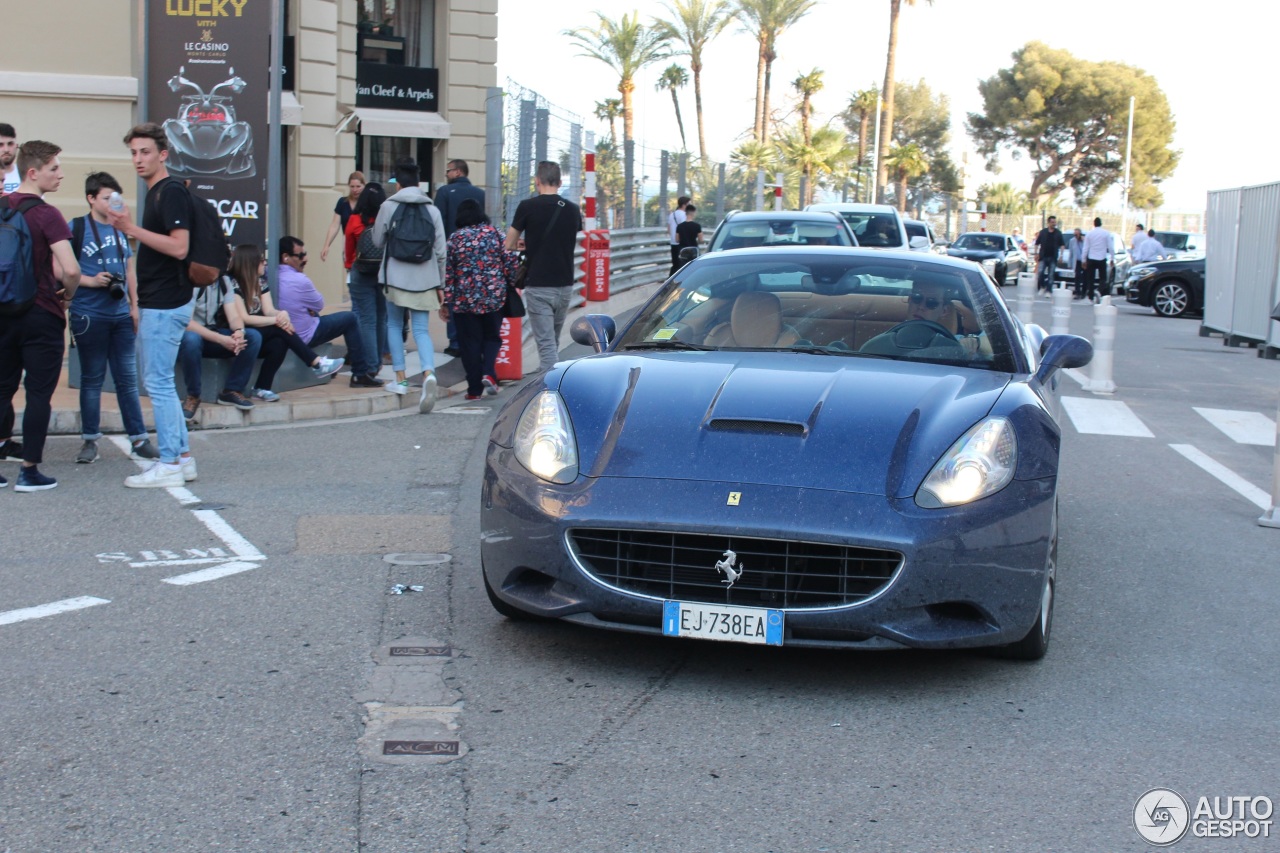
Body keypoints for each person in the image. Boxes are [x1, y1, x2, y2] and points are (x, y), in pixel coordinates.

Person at [106, 124, 201, 489]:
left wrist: (131, 229)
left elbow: (179, 247)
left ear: (163, 154)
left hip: (165, 301)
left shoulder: (169, 192)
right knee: (162, 382)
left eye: (144, 152)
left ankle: (170, 463)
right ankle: (183, 459)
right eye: (133, 153)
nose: (137, 159)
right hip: (165, 300)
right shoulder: (159, 192)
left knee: (158, 383)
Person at [0, 140, 80, 491]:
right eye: (54, 168)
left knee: (2, 390)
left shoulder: (2, 207)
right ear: (32, 172)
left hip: (3, 313)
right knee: (37, 395)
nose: (60, 175)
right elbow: (72, 269)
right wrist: (67, 296)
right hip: (41, 314)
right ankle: (29, 471)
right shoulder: (48, 214)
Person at [68, 171, 158, 464]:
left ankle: (139, 438)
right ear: (91, 198)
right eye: (106, 198)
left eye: (115, 198)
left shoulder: (121, 229)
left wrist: (135, 306)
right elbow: (60, 269)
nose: (112, 203)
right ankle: (89, 440)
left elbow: (129, 269)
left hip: (120, 314)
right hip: (89, 314)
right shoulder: (77, 228)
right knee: (92, 379)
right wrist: (92, 281)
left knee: (127, 379)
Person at [371, 158, 446, 413]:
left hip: (395, 277)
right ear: (418, 183)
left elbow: (378, 241)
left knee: (393, 324)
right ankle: (429, 374)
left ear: (398, 183)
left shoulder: (388, 206)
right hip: (425, 279)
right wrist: (441, 284)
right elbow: (441, 252)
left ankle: (400, 379)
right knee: (422, 330)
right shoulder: (432, 210)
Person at [225, 244, 343, 401]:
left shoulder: (260, 281)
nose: (265, 263)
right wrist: (276, 320)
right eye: (261, 260)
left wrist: (281, 315)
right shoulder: (232, 283)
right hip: (241, 333)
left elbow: (269, 310)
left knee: (280, 341)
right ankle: (316, 362)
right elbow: (244, 318)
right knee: (279, 329)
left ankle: (262, 387)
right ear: (250, 262)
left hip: (259, 333)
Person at [505, 161, 583, 374]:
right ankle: (547, 373)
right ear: (559, 182)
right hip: (565, 283)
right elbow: (567, 237)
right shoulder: (573, 210)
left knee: (546, 343)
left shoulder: (527, 207)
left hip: (539, 284)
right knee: (552, 340)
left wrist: (524, 244)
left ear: (537, 181)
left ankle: (549, 386)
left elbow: (509, 243)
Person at [275, 234, 381, 387]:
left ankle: (331, 369)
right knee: (350, 319)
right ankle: (360, 373)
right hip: (304, 335)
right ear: (285, 257)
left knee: (311, 312)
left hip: (286, 331)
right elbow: (319, 304)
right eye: (301, 256)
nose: (305, 259)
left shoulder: (270, 274)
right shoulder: (300, 280)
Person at [442, 199, 517, 400]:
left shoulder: (455, 239)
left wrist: (446, 301)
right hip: (494, 297)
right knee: (492, 337)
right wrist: (510, 283)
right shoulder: (497, 235)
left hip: (464, 300)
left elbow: (449, 273)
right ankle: (488, 373)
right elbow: (510, 263)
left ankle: (474, 390)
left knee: (469, 343)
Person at [178, 265, 260, 419]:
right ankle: (193, 395)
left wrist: (238, 332)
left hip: (211, 334)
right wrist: (221, 339)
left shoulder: (223, 281)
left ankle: (232, 390)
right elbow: (187, 323)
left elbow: (234, 316)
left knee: (252, 336)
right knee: (192, 339)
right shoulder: (192, 279)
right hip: (188, 338)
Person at [433, 158, 486, 357]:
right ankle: (474, 338)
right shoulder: (481, 194)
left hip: (452, 251)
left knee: (453, 294)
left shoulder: (445, 193)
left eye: (448, 171)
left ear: (457, 172)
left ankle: (455, 341)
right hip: (478, 254)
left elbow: (438, 222)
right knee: (476, 294)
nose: (446, 174)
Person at [344, 181, 389, 378]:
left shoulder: (354, 220)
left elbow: (349, 249)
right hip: (383, 272)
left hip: (360, 271)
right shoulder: (386, 220)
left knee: (366, 319)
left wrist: (349, 266)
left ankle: (370, 366)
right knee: (382, 319)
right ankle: (377, 361)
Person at [319, 171, 364, 263]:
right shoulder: (342, 202)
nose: (355, 190)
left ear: (364, 185)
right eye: (352, 186)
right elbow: (335, 225)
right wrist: (326, 245)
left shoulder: (367, 203)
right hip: (348, 244)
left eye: (358, 186)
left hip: (363, 244)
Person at [1081, 217, 1114, 304]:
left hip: (1091, 258)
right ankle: (1099, 291)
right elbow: (1111, 247)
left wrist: (1083, 260)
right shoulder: (1106, 233)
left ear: (1094, 224)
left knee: (1090, 279)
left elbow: (1085, 248)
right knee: (1103, 278)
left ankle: (1090, 297)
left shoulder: (1089, 234)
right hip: (1102, 258)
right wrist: (1112, 258)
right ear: (1101, 223)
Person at [1033, 216, 1065, 294]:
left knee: (1051, 275)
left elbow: (1062, 245)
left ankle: (1049, 290)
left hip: (1053, 257)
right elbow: (1037, 243)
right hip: (1043, 256)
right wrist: (1036, 253)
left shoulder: (1058, 233)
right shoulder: (1043, 232)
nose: (1054, 224)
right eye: (1052, 222)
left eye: (1055, 222)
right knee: (1040, 272)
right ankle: (1042, 286)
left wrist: (1061, 255)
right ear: (1048, 223)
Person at [674, 203, 703, 271]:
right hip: (694, 250)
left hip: (683, 250)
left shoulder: (680, 226)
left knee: (682, 269)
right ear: (693, 213)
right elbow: (701, 240)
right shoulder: (697, 226)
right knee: (694, 269)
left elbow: (677, 240)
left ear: (685, 213)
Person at [667, 195, 691, 275]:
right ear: (684, 205)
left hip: (673, 242)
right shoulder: (684, 215)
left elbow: (669, 229)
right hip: (681, 243)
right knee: (683, 265)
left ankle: (671, 280)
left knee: (675, 264)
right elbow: (685, 229)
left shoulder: (672, 215)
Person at [1067, 228, 1086, 299]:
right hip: (1077, 261)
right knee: (1077, 276)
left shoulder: (1084, 240)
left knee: (1085, 277)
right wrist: (1070, 264)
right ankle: (1077, 291)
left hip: (1084, 261)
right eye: (1075, 234)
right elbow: (1071, 253)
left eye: (1077, 234)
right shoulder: (1072, 241)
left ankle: (1084, 292)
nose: (1076, 236)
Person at [0, 123, 18, 196]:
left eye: (10, 144)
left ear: (16, 146)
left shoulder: (28, 176)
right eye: (0, 145)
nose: (6, 150)